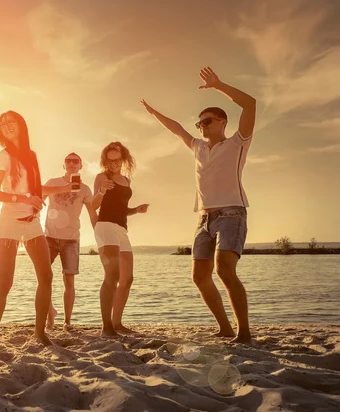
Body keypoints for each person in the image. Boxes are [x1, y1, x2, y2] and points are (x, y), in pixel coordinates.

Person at [140, 66, 256, 343]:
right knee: (199, 276)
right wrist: (155, 114)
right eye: (200, 123)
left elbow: (250, 104)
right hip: (203, 219)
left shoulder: (238, 143)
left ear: (222, 122)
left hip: (231, 214)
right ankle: (225, 328)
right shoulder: (197, 147)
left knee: (224, 270)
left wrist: (218, 85)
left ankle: (244, 332)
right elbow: (177, 129)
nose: (202, 126)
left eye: (207, 121)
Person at [0, 110, 72, 350]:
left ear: (21, 125)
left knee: (46, 276)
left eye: (11, 121)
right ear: (0, 131)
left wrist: (64, 188)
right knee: (5, 281)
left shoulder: (31, 156)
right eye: (3, 123)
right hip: (9, 223)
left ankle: (40, 332)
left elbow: (36, 191)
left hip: (32, 223)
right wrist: (24, 198)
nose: (7, 125)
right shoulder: (3, 156)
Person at [92, 141, 149, 337]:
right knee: (112, 276)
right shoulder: (101, 177)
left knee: (127, 278)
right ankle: (106, 327)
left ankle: (117, 323)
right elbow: (94, 205)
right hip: (105, 226)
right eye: (110, 161)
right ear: (105, 161)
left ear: (123, 159)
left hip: (121, 229)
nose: (114, 165)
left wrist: (136, 210)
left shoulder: (126, 181)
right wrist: (102, 191)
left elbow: (121, 209)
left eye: (117, 161)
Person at [44, 152, 97, 331]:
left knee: (69, 281)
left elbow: (92, 212)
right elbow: (39, 197)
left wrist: (100, 233)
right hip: (49, 237)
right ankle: (50, 312)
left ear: (81, 166)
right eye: (69, 160)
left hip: (71, 239)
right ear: (64, 165)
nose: (72, 163)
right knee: (44, 277)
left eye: (76, 161)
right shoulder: (52, 182)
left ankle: (67, 321)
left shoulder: (85, 189)